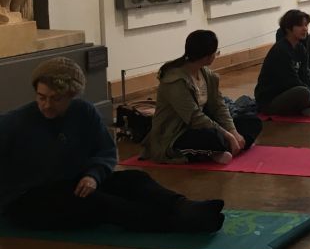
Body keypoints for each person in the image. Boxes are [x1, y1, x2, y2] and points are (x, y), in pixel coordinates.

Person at [0, 58, 224, 233]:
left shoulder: (83, 112)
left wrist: (93, 175)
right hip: (29, 198)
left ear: (71, 96)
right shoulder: (15, 122)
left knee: (134, 179)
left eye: (56, 99)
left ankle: (183, 207)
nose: (47, 105)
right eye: (41, 97)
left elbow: (105, 151)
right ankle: (178, 223)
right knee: (101, 203)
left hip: (74, 182)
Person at [142, 30, 262, 164]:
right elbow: (194, 117)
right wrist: (227, 135)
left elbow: (218, 106)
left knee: (252, 121)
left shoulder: (207, 75)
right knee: (212, 137)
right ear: (208, 56)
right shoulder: (175, 80)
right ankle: (222, 147)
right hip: (176, 132)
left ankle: (223, 148)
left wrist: (233, 131)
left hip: (203, 125)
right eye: (216, 52)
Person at [255, 9, 310, 117]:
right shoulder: (281, 50)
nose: (305, 28)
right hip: (271, 100)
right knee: (303, 91)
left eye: (306, 25)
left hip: (291, 90)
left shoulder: (301, 49)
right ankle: (305, 108)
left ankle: (306, 107)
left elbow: (305, 76)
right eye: (300, 25)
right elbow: (292, 81)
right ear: (288, 28)